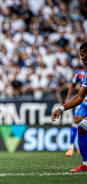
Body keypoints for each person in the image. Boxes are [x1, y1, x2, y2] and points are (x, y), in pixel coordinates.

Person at [52, 42, 87, 172]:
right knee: (82, 125)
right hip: (84, 104)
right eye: (80, 56)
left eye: (84, 56)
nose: (82, 59)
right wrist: (61, 109)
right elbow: (79, 97)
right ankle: (85, 163)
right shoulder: (83, 74)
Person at [64, 67, 87, 156]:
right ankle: (71, 147)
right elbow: (73, 85)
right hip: (83, 102)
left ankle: (82, 146)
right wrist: (68, 97)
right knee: (77, 119)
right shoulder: (79, 72)